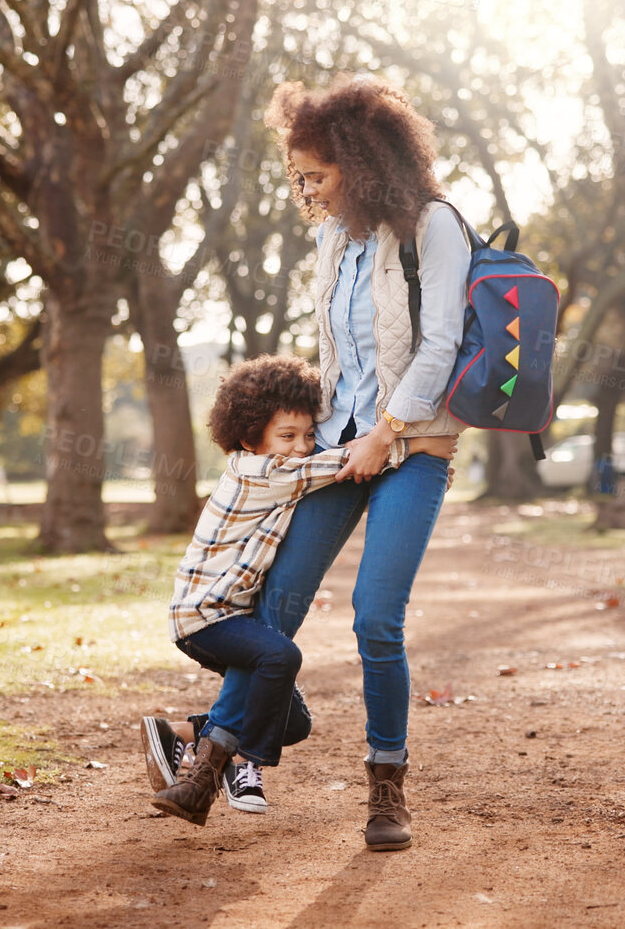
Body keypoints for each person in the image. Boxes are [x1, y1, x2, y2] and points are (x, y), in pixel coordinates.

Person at [156, 76, 468, 851]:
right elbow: (336, 352)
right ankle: (210, 763)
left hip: (412, 446)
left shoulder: (434, 227)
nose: (304, 189)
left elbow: (438, 346)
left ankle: (386, 786)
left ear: (360, 164)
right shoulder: (333, 236)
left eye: (315, 175)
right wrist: (304, 430)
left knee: (375, 618)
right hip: (338, 450)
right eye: (297, 174)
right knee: (277, 603)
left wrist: (385, 431)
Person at [145, 355, 448, 825]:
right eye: (287, 437)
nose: (302, 448)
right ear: (249, 438)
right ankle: (242, 763)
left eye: (308, 436)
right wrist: (424, 445)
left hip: (227, 616)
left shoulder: (277, 465)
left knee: (295, 723)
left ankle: (184, 733)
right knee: (280, 657)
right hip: (208, 618)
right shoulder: (265, 471)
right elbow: (347, 461)